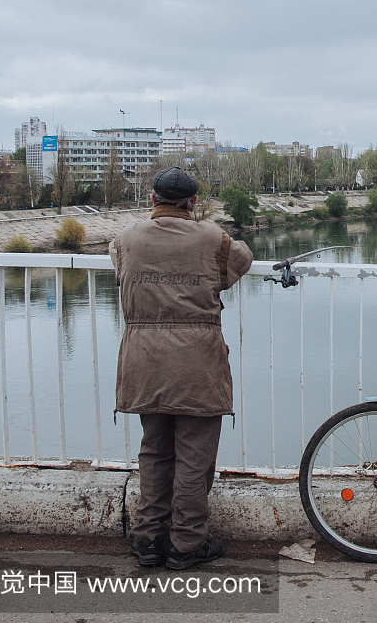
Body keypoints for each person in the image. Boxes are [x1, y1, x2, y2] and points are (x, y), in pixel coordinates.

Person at [109, 167, 253, 569]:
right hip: (196, 363)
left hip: (143, 361)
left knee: (154, 450)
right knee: (194, 455)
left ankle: (148, 540)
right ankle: (187, 544)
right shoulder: (214, 240)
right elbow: (240, 260)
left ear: (152, 199)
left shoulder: (124, 240)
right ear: (192, 203)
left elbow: (119, 268)